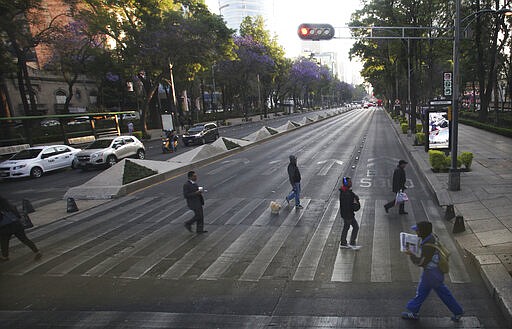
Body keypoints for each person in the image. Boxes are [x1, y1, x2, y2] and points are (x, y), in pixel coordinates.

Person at [401, 221, 464, 322]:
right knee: (436, 293)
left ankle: (413, 312)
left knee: (425, 293)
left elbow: (421, 262)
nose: (416, 232)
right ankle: (458, 312)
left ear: (422, 232)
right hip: (435, 272)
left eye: (417, 230)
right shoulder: (432, 237)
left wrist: (411, 254)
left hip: (431, 274)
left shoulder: (427, 247)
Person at [0, 195, 41, 261]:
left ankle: (5, 256)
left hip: (5, 227)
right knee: (24, 239)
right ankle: (37, 251)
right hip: (17, 224)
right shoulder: (8, 205)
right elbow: (18, 215)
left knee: (4, 241)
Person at [339, 177, 361, 249]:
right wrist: (356, 200)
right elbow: (351, 206)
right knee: (354, 227)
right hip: (348, 215)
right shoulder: (347, 194)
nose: (351, 183)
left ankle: (344, 242)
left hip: (346, 214)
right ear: (346, 183)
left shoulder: (345, 192)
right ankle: (350, 242)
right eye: (349, 182)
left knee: (347, 227)